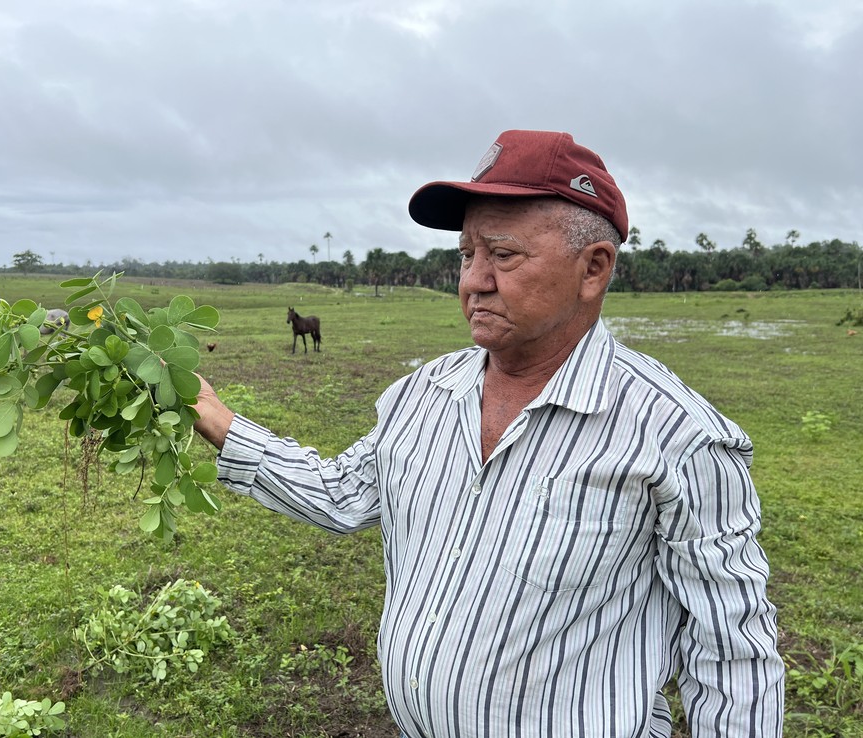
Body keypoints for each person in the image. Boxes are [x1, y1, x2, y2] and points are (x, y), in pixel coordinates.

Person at [192, 130, 785, 737]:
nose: (473, 281)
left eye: (503, 255)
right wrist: (217, 418)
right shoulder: (424, 393)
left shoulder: (677, 438)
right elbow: (343, 492)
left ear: (593, 270)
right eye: (465, 254)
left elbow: (732, 656)